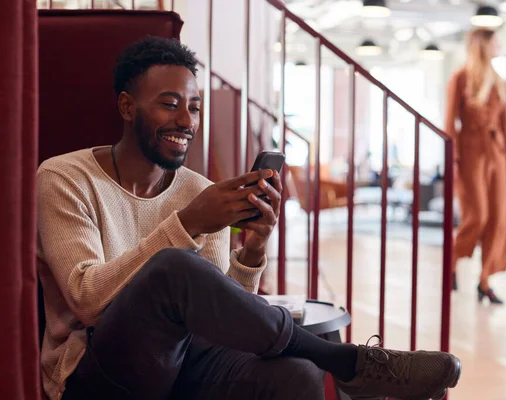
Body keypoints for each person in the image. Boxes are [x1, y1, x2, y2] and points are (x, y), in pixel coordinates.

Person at [37, 36, 461, 400]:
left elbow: (219, 316)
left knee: (298, 375)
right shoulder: (64, 177)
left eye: (195, 108)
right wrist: (187, 224)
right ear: (127, 108)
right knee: (174, 267)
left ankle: (335, 366)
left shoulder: (197, 190)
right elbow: (87, 300)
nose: (186, 121)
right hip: (95, 373)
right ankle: (346, 360)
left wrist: (253, 250)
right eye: (169, 105)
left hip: (183, 362)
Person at [444, 28, 506, 304]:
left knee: (499, 219)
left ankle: (485, 281)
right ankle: (450, 263)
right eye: (495, 42)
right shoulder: (460, 77)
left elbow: (504, 125)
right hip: (471, 154)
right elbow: (449, 124)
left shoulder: (498, 80)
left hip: (496, 154)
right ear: (483, 46)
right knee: (478, 216)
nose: (499, 45)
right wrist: (454, 158)